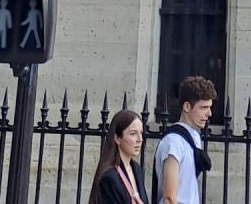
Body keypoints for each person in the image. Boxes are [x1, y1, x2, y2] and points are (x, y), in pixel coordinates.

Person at [153, 76, 216, 204]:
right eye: (203, 107)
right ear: (187, 107)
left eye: (210, 107)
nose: (209, 114)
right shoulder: (173, 142)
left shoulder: (195, 137)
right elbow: (169, 198)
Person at [88, 109, 146, 204]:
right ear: (117, 138)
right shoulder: (109, 177)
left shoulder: (137, 169)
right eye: (133, 134)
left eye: (141, 133)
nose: (140, 139)